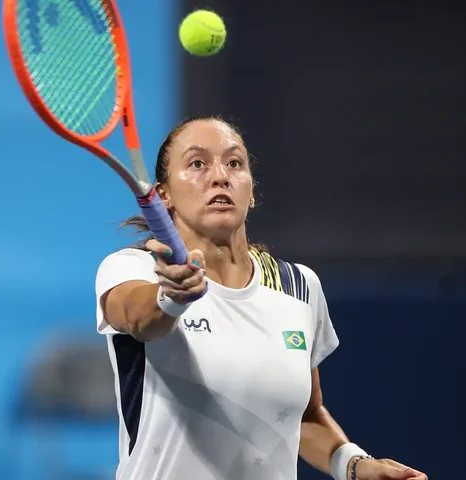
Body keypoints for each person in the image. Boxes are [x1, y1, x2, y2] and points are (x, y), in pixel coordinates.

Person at [95, 115, 427, 480]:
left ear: (251, 191)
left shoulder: (298, 286)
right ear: (163, 195)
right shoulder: (133, 268)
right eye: (197, 163)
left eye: (234, 163)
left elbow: (304, 414)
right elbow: (139, 319)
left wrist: (354, 465)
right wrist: (172, 296)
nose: (220, 176)